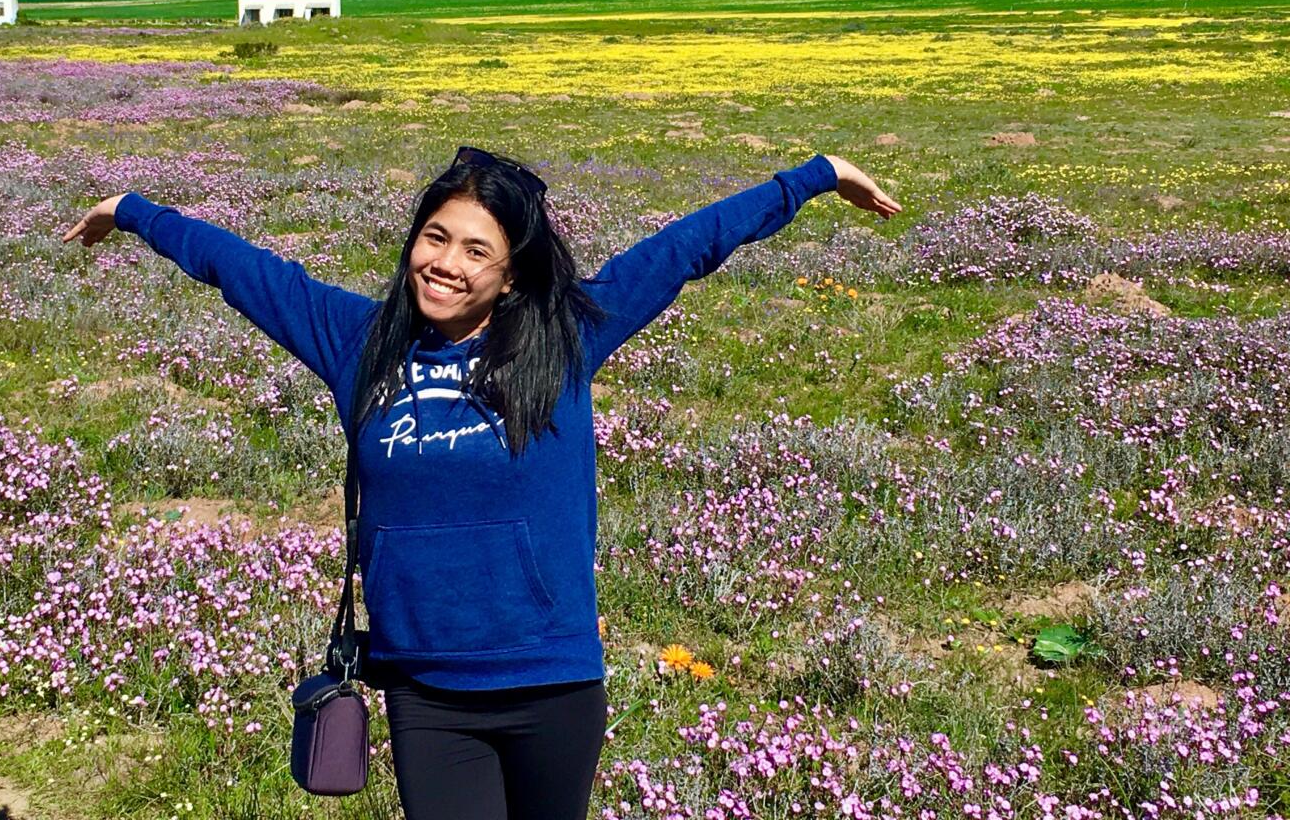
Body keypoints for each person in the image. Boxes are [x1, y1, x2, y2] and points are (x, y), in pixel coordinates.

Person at [63, 147, 899, 820]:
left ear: (510, 272)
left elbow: (685, 248)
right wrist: (134, 212)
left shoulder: (566, 337)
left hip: (552, 675)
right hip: (425, 687)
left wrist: (814, 177)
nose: (445, 264)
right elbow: (236, 267)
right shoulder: (357, 340)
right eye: (435, 236)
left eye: (475, 250)